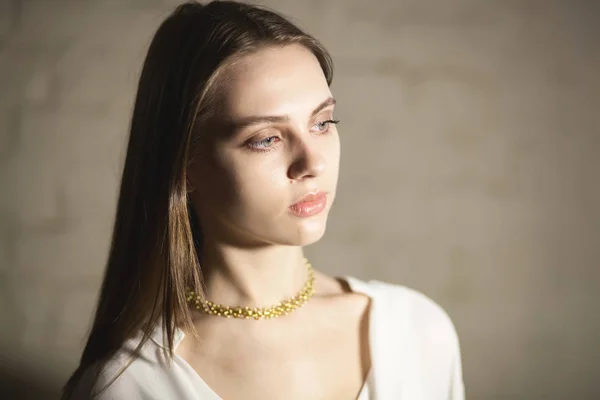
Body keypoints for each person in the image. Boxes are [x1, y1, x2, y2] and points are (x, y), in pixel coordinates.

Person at [62, 1, 465, 399]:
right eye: (265, 139)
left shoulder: (417, 331)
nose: (312, 163)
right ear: (184, 164)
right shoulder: (128, 387)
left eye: (322, 122)